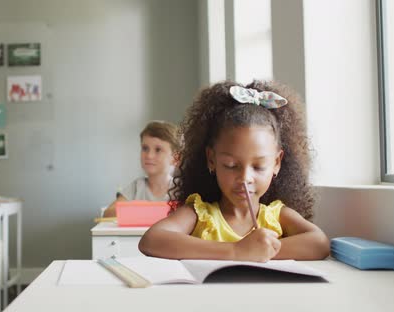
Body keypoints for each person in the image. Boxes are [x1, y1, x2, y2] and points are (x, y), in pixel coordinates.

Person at [139, 81, 330, 262]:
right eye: (231, 165)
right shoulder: (200, 214)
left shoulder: (277, 216)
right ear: (211, 160)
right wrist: (236, 251)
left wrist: (261, 251)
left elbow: (319, 243)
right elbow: (152, 240)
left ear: (277, 163)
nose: (245, 177)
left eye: (258, 167)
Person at [102, 120, 181, 218]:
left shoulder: (180, 188)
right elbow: (108, 213)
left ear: (175, 158)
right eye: (145, 148)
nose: (149, 155)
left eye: (158, 150)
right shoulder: (137, 187)